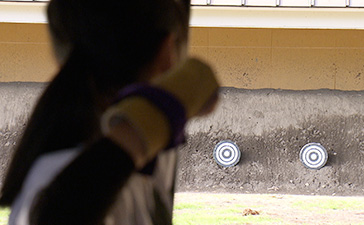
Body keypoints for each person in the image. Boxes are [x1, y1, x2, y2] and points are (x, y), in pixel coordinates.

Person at [0, 0, 219, 224]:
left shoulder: (130, 168)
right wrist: (146, 125)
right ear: (167, 55)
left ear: (59, 54)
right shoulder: (64, 175)